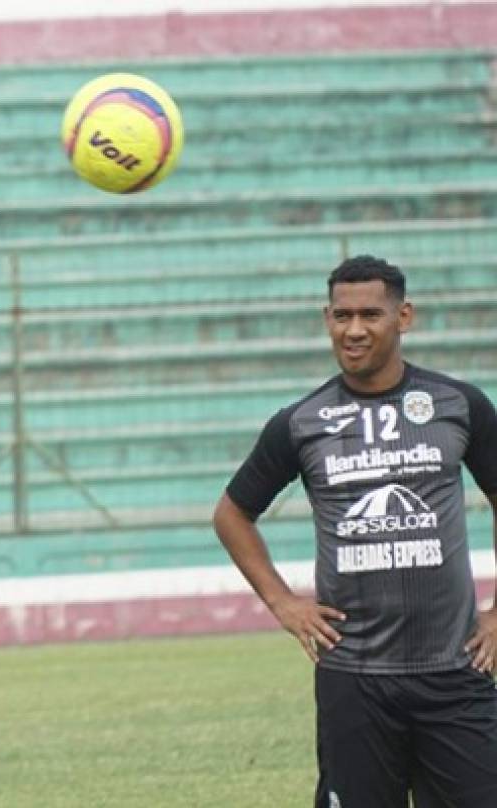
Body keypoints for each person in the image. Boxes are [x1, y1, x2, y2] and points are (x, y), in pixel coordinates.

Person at [212, 255, 497, 807]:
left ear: (404, 316)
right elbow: (231, 513)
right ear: (327, 319)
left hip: (455, 671)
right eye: (342, 316)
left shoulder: (458, 404)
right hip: (355, 680)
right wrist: (282, 603)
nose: (355, 329)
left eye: (371, 314)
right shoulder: (301, 422)